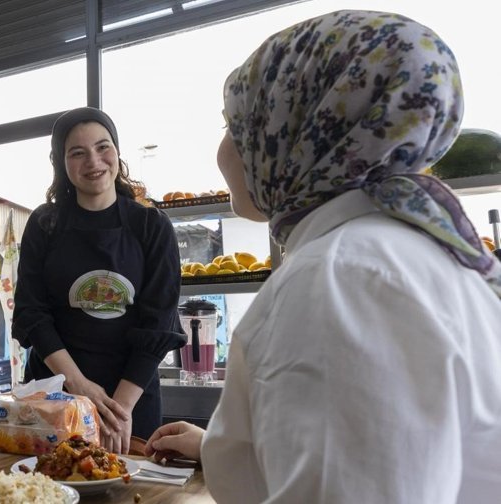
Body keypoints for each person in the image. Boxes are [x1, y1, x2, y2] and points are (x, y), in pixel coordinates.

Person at [145, 10, 501, 503]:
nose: (224, 147)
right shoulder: (405, 252)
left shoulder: (340, 281)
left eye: (235, 125)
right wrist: (219, 446)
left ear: (293, 131)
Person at [12, 107, 186, 454]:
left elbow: (158, 322)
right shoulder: (45, 225)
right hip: (56, 397)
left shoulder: (152, 226)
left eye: (103, 147)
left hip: (131, 398)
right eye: (77, 152)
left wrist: (115, 412)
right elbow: (33, 313)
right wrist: (79, 387)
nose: (94, 160)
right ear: (62, 163)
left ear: (118, 153)